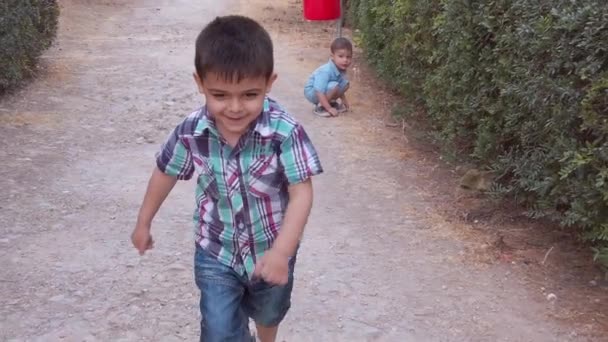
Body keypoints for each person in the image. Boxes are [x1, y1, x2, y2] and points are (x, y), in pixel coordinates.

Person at [130, 15, 323, 342]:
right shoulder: (192, 131)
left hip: (271, 247)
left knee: (269, 312)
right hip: (215, 251)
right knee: (218, 331)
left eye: (250, 94)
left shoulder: (284, 132)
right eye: (220, 95)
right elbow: (166, 171)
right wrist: (143, 221)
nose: (235, 108)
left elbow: (301, 192)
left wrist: (281, 252)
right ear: (200, 83)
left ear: (269, 82)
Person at [304, 37, 353, 117]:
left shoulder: (340, 68)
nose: (345, 60)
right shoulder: (325, 71)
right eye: (341, 56)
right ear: (332, 56)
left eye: (348, 57)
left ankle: (330, 102)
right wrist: (329, 108)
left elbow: (340, 84)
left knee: (345, 84)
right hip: (313, 92)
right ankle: (321, 106)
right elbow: (319, 91)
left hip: (326, 89)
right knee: (334, 86)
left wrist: (344, 100)